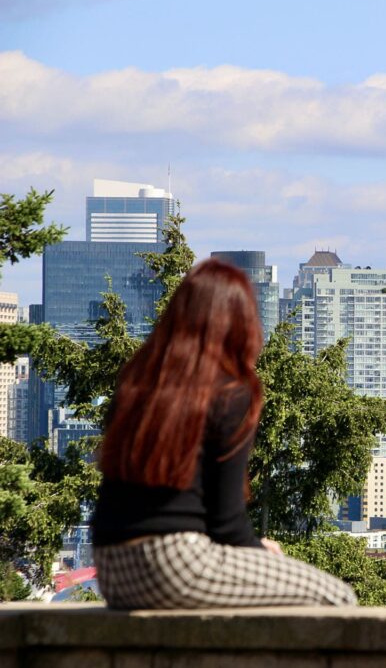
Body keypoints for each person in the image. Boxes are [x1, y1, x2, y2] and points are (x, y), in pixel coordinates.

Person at [91, 259, 356, 609]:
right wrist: (262, 554)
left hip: (112, 569)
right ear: (240, 323)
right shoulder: (229, 393)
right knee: (337, 597)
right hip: (175, 564)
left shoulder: (137, 383)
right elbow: (226, 520)